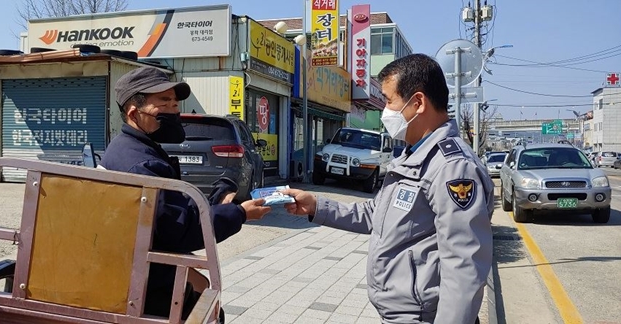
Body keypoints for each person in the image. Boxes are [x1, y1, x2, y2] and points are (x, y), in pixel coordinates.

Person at [282, 54, 494, 324]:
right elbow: (375, 214)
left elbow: (464, 265)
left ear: (417, 103)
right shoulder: (411, 156)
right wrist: (316, 205)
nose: (385, 111)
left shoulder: (452, 168)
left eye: (388, 100)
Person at [100, 66, 272, 317]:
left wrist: (215, 204)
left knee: (202, 287)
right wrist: (239, 214)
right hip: (140, 277)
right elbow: (179, 231)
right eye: (164, 103)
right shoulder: (143, 163)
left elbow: (169, 214)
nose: (175, 110)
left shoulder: (128, 147)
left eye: (175, 103)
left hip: (133, 261)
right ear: (134, 112)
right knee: (210, 308)